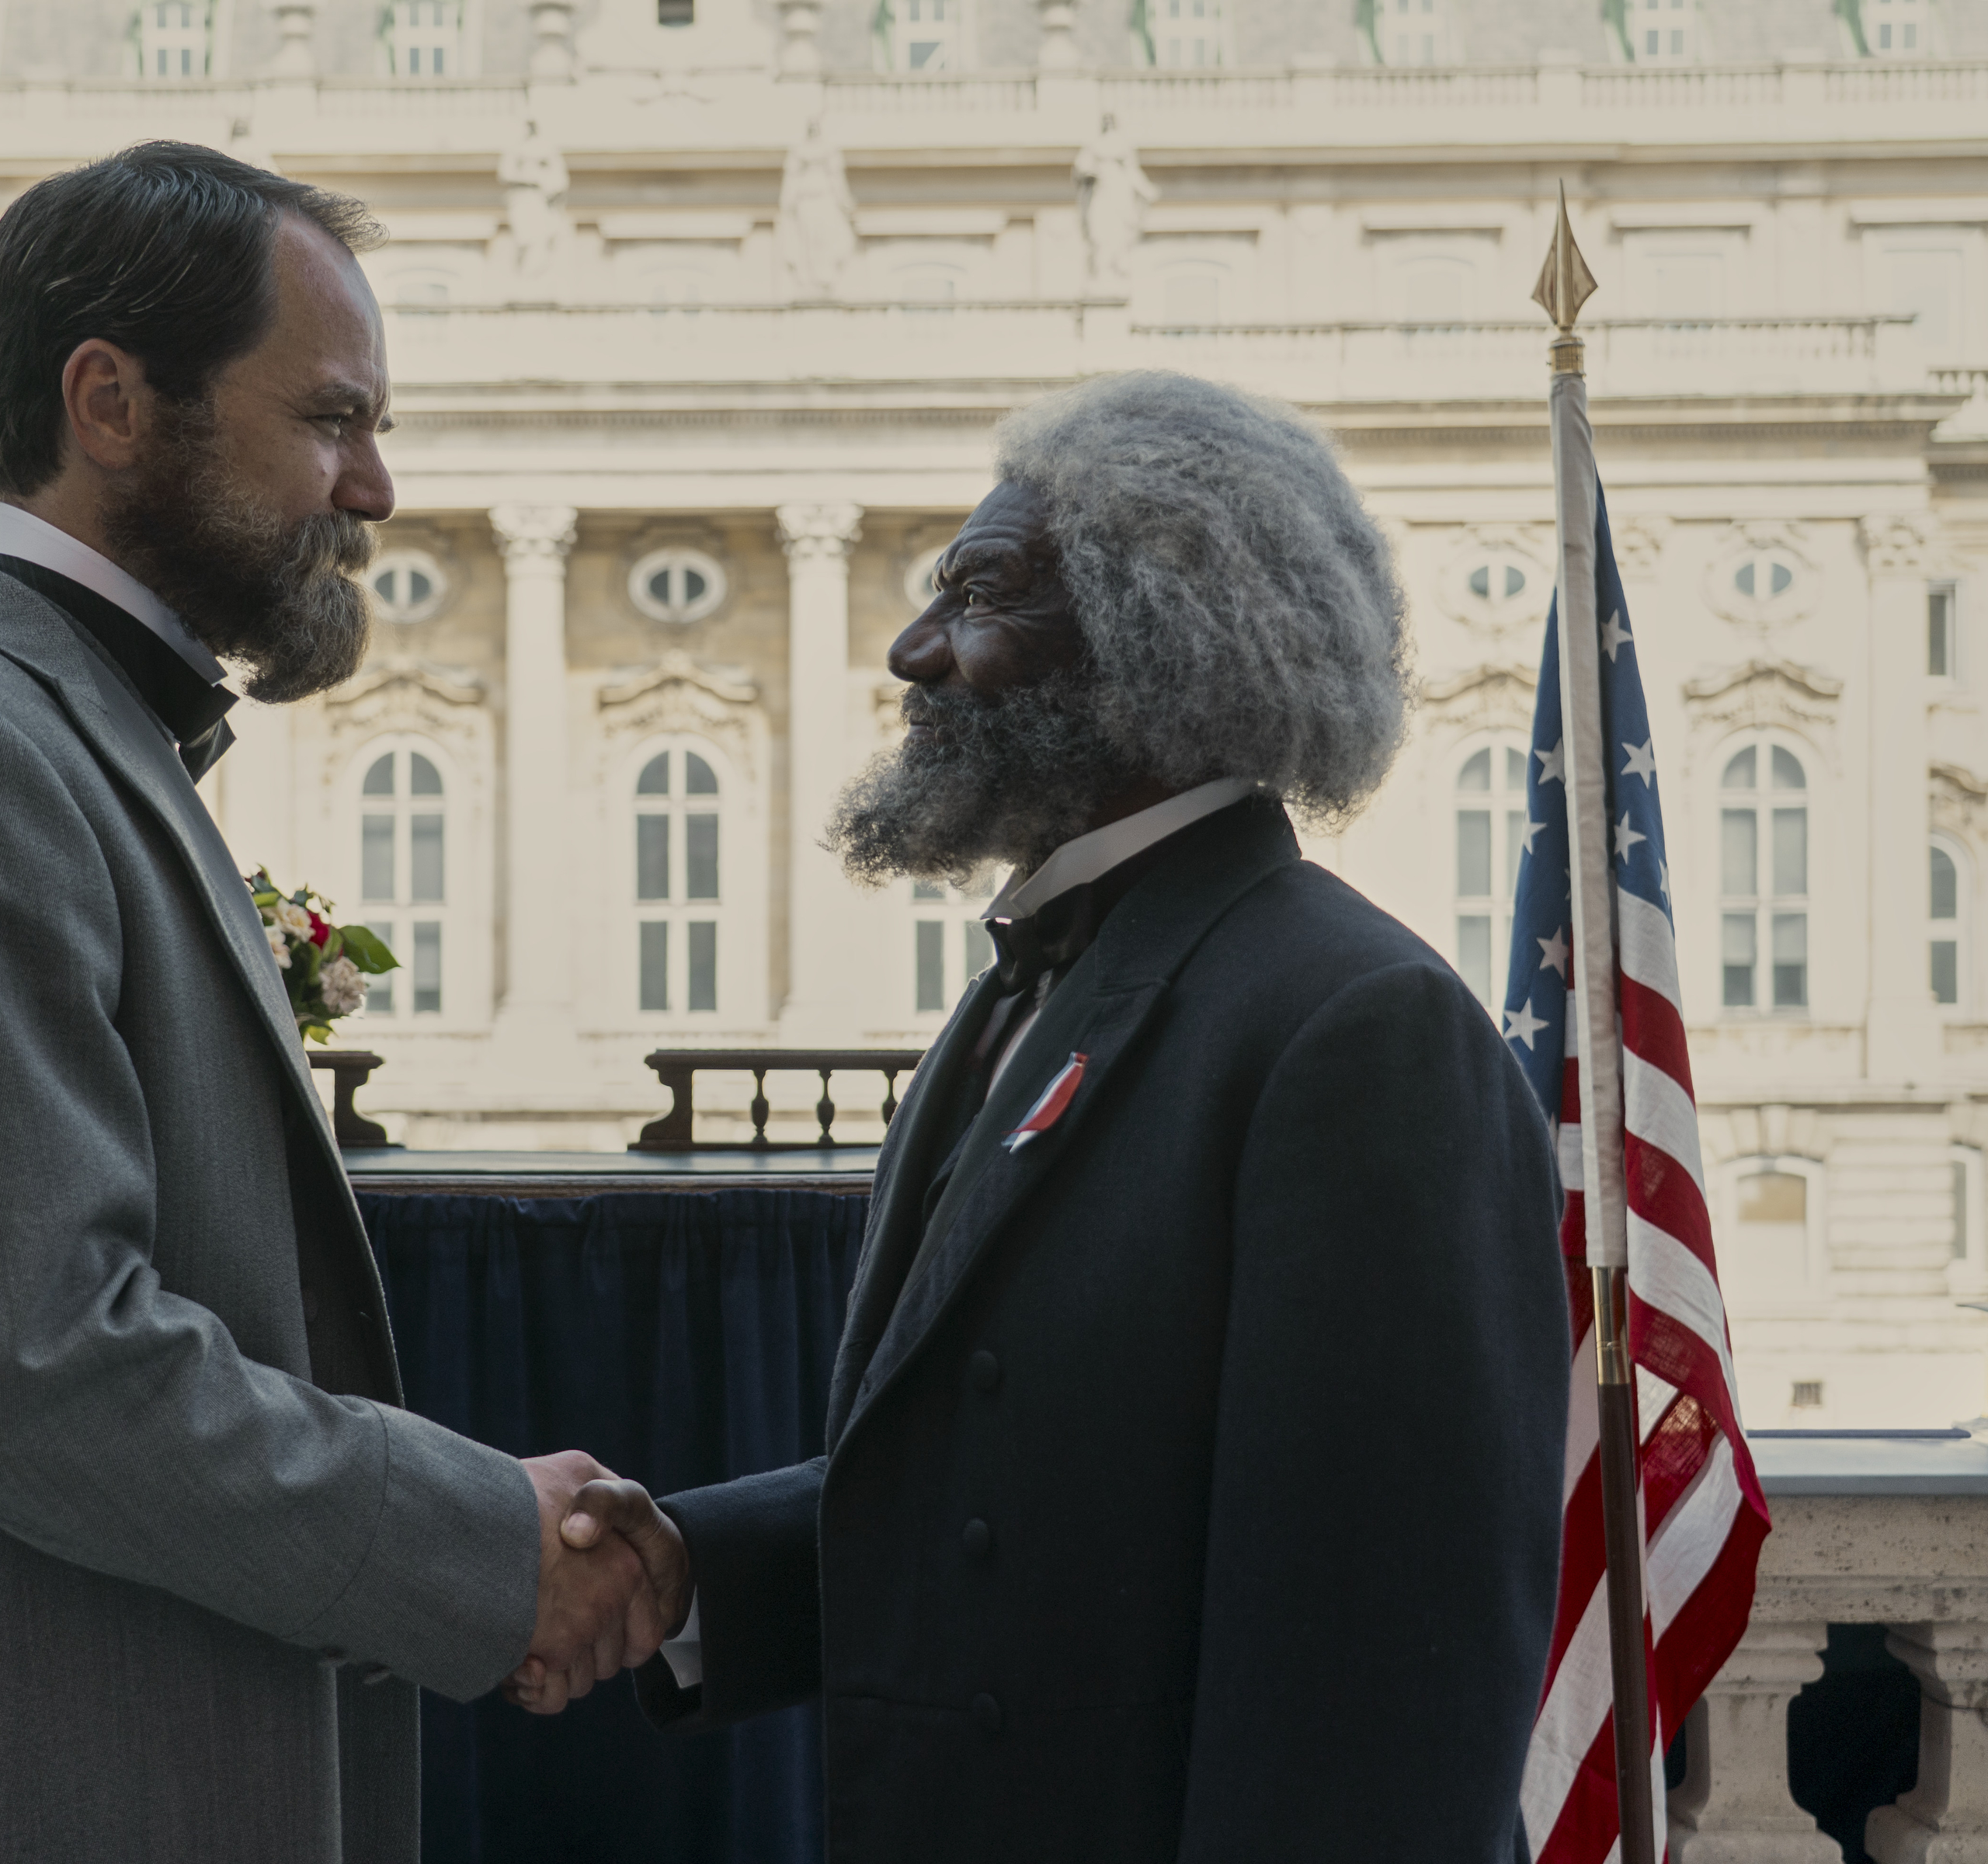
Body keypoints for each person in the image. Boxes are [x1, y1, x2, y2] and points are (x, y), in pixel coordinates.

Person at [0, 143, 659, 1862]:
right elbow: (34, 1358)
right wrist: (482, 1544)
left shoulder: (56, 733)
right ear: (111, 402)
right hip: (24, 1788)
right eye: (332, 419)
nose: (372, 487)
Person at [548, 372, 1571, 1862]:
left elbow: (1374, 1685)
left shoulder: (1359, 1029)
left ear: (1163, 637)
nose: (912, 654)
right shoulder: (1040, 981)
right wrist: (690, 1569)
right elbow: (1014, 1488)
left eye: (977, 598)